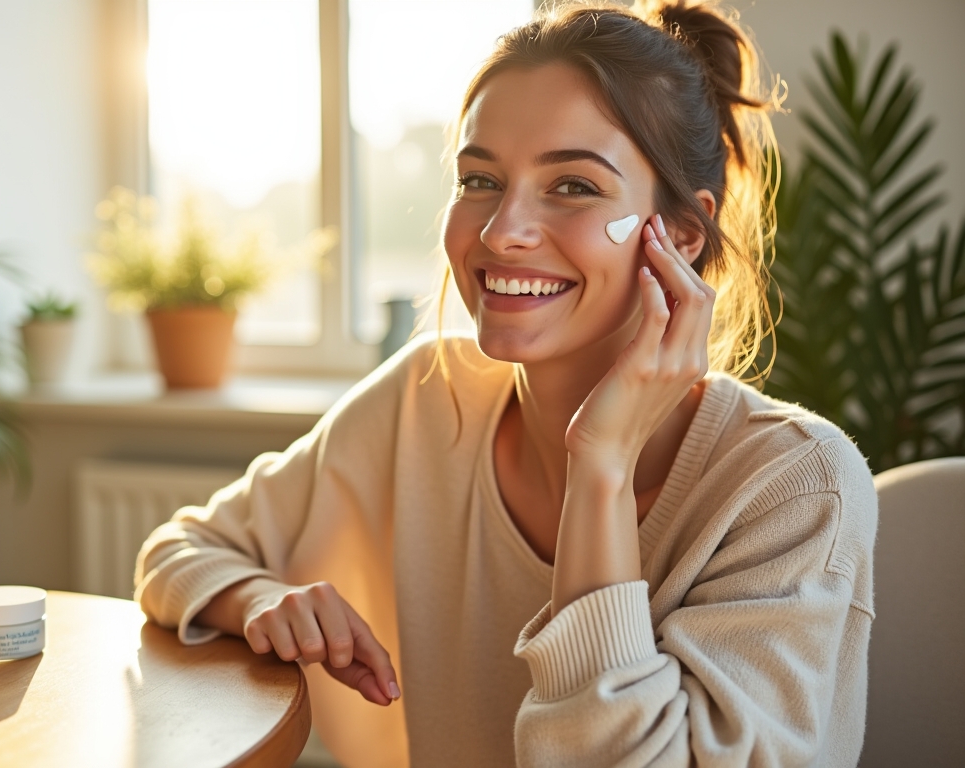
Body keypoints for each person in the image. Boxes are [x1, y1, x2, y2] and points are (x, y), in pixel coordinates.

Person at [134, 1, 877, 765]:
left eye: (574, 187)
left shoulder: (795, 487)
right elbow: (179, 551)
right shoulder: (427, 397)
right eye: (480, 178)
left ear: (682, 235)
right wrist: (260, 600)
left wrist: (600, 469)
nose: (500, 231)